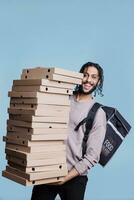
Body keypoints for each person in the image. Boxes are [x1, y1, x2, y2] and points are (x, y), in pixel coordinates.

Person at [31, 62, 106, 200]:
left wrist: (65, 177)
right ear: (79, 76)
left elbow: (93, 156)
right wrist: (36, 75)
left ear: (98, 81)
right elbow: (42, 97)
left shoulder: (97, 113)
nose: (88, 80)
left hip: (74, 177)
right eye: (85, 75)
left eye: (94, 77)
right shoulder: (62, 98)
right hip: (48, 170)